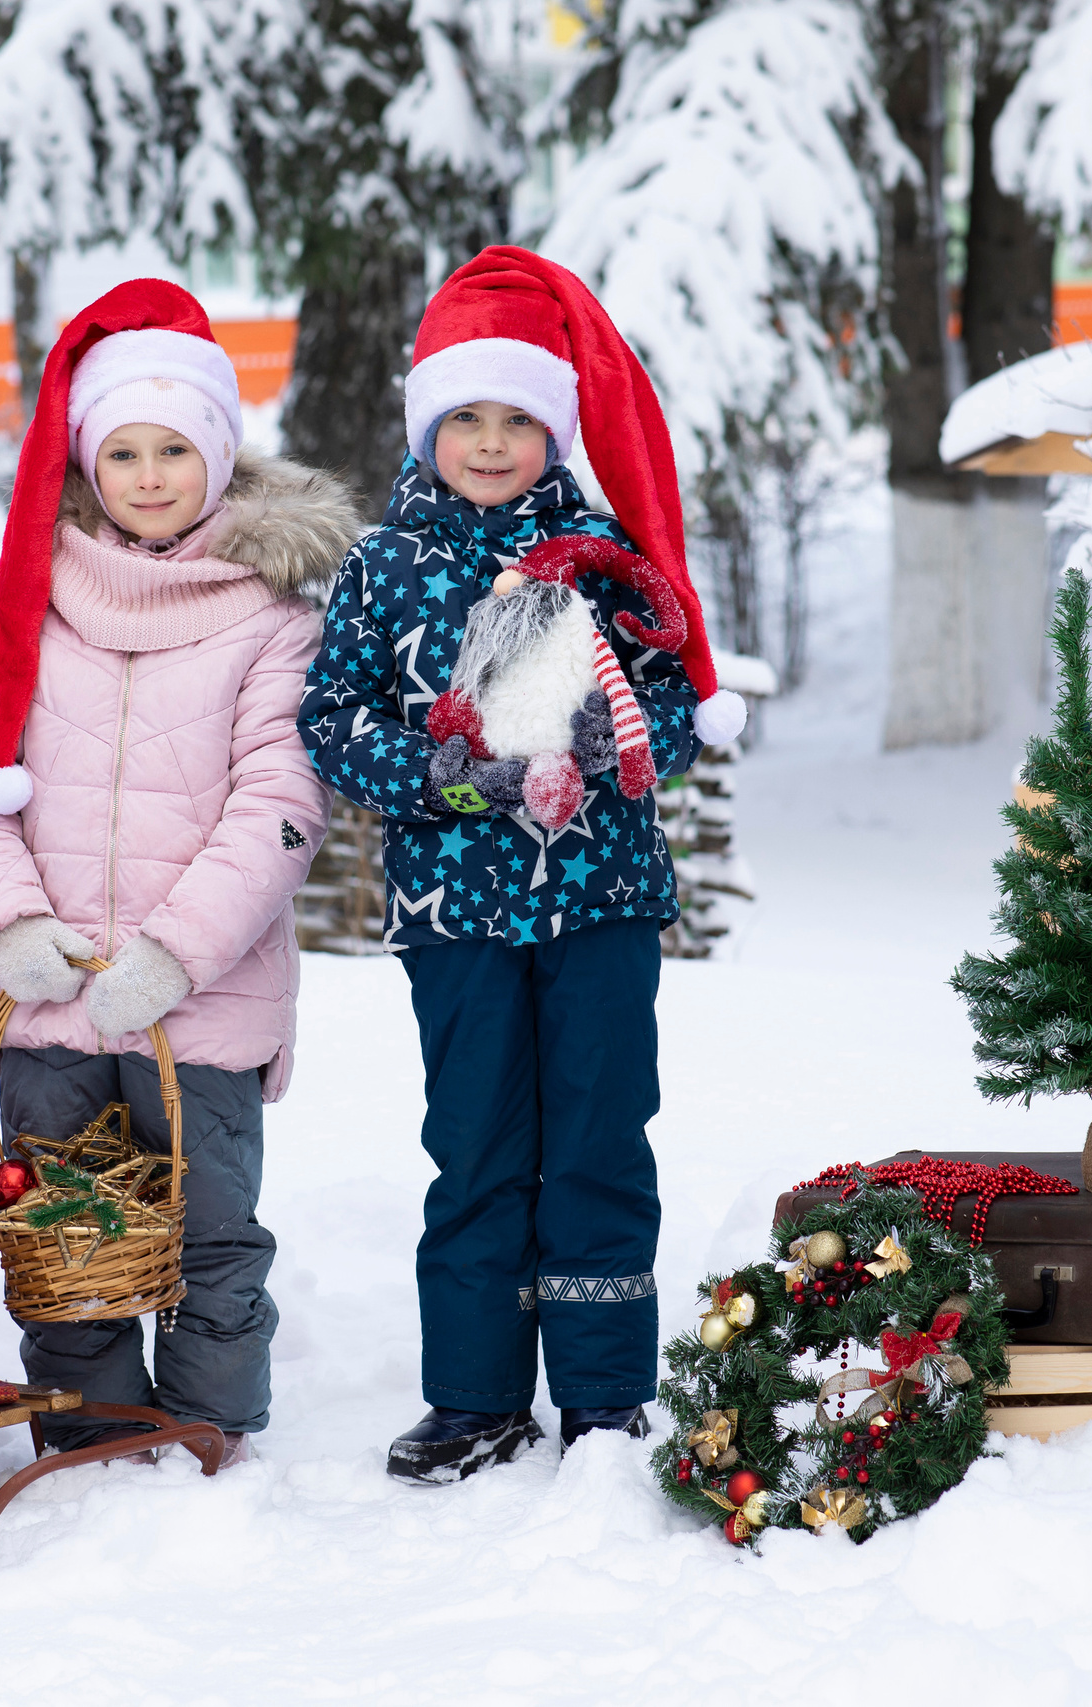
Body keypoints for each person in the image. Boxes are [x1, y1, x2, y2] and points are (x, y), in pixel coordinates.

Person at [297, 247, 751, 1484]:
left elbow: (675, 702)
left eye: (516, 419)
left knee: (600, 1137)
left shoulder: (607, 556)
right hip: (455, 910)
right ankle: (474, 1397)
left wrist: (619, 742)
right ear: (426, 428)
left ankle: (603, 1395)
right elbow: (331, 723)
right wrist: (455, 777)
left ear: (554, 430)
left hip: (599, 897)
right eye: (466, 418)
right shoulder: (382, 566)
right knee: (477, 1146)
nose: (491, 443)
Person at [0, 279, 360, 1466]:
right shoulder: (32, 601)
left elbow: (280, 802)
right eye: (124, 452)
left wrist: (174, 954)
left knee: (210, 1231)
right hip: (48, 995)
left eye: (175, 449)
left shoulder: (271, 616)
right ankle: (93, 1436)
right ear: (88, 463)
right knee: (68, 1234)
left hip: (199, 1001)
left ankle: (206, 1434)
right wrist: (12, 925)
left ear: (217, 457)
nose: (151, 475)